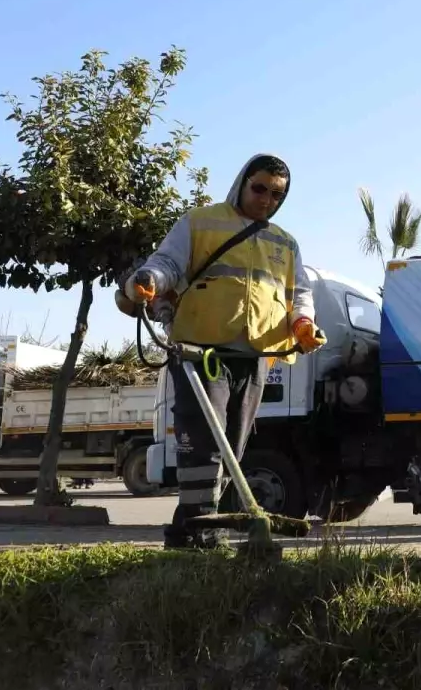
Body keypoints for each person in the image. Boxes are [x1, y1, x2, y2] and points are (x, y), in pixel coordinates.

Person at [124, 153, 326, 549]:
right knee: (203, 439)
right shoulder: (201, 222)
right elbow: (167, 263)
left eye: (276, 194)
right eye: (260, 189)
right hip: (200, 350)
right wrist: (149, 278)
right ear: (242, 183)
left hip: (252, 355)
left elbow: (298, 294)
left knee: (233, 443)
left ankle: (198, 526)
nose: (267, 199)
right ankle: (198, 524)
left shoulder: (284, 243)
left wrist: (302, 324)